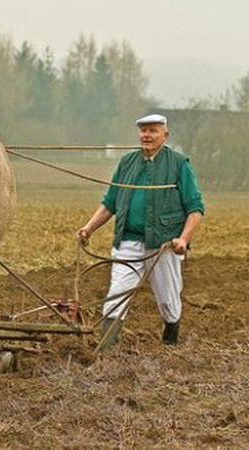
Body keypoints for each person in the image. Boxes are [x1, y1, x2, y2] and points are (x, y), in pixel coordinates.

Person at [77, 113, 204, 349]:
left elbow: (195, 208)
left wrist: (183, 239)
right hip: (128, 240)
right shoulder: (127, 162)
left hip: (164, 244)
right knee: (118, 293)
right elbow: (110, 202)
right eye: (144, 131)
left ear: (165, 135)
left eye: (153, 130)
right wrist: (88, 228)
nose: (147, 135)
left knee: (168, 300)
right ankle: (106, 351)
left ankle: (171, 336)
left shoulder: (179, 164)